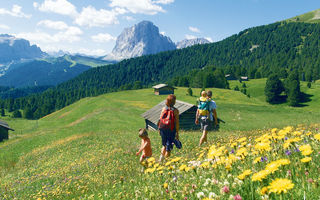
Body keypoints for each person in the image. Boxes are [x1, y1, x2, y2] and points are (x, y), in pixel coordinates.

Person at [159, 94, 179, 162]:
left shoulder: (164, 109)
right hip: (171, 130)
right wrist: (177, 133)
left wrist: (159, 129)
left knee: (164, 145)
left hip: (163, 129)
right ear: (174, 102)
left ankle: (161, 159)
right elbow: (177, 123)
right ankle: (166, 162)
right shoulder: (175, 110)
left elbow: (160, 119)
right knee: (169, 147)